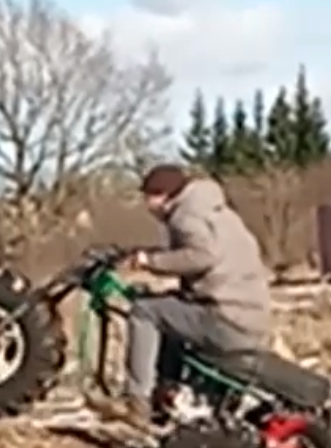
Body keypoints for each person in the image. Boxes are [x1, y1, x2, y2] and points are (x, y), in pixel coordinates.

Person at [90, 164, 272, 429]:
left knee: (145, 311)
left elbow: (202, 256)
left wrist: (148, 261)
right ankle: (166, 392)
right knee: (166, 307)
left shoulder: (184, 217)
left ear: (164, 196)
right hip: (245, 314)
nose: (147, 206)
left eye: (148, 198)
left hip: (225, 320)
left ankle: (137, 402)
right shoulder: (214, 211)